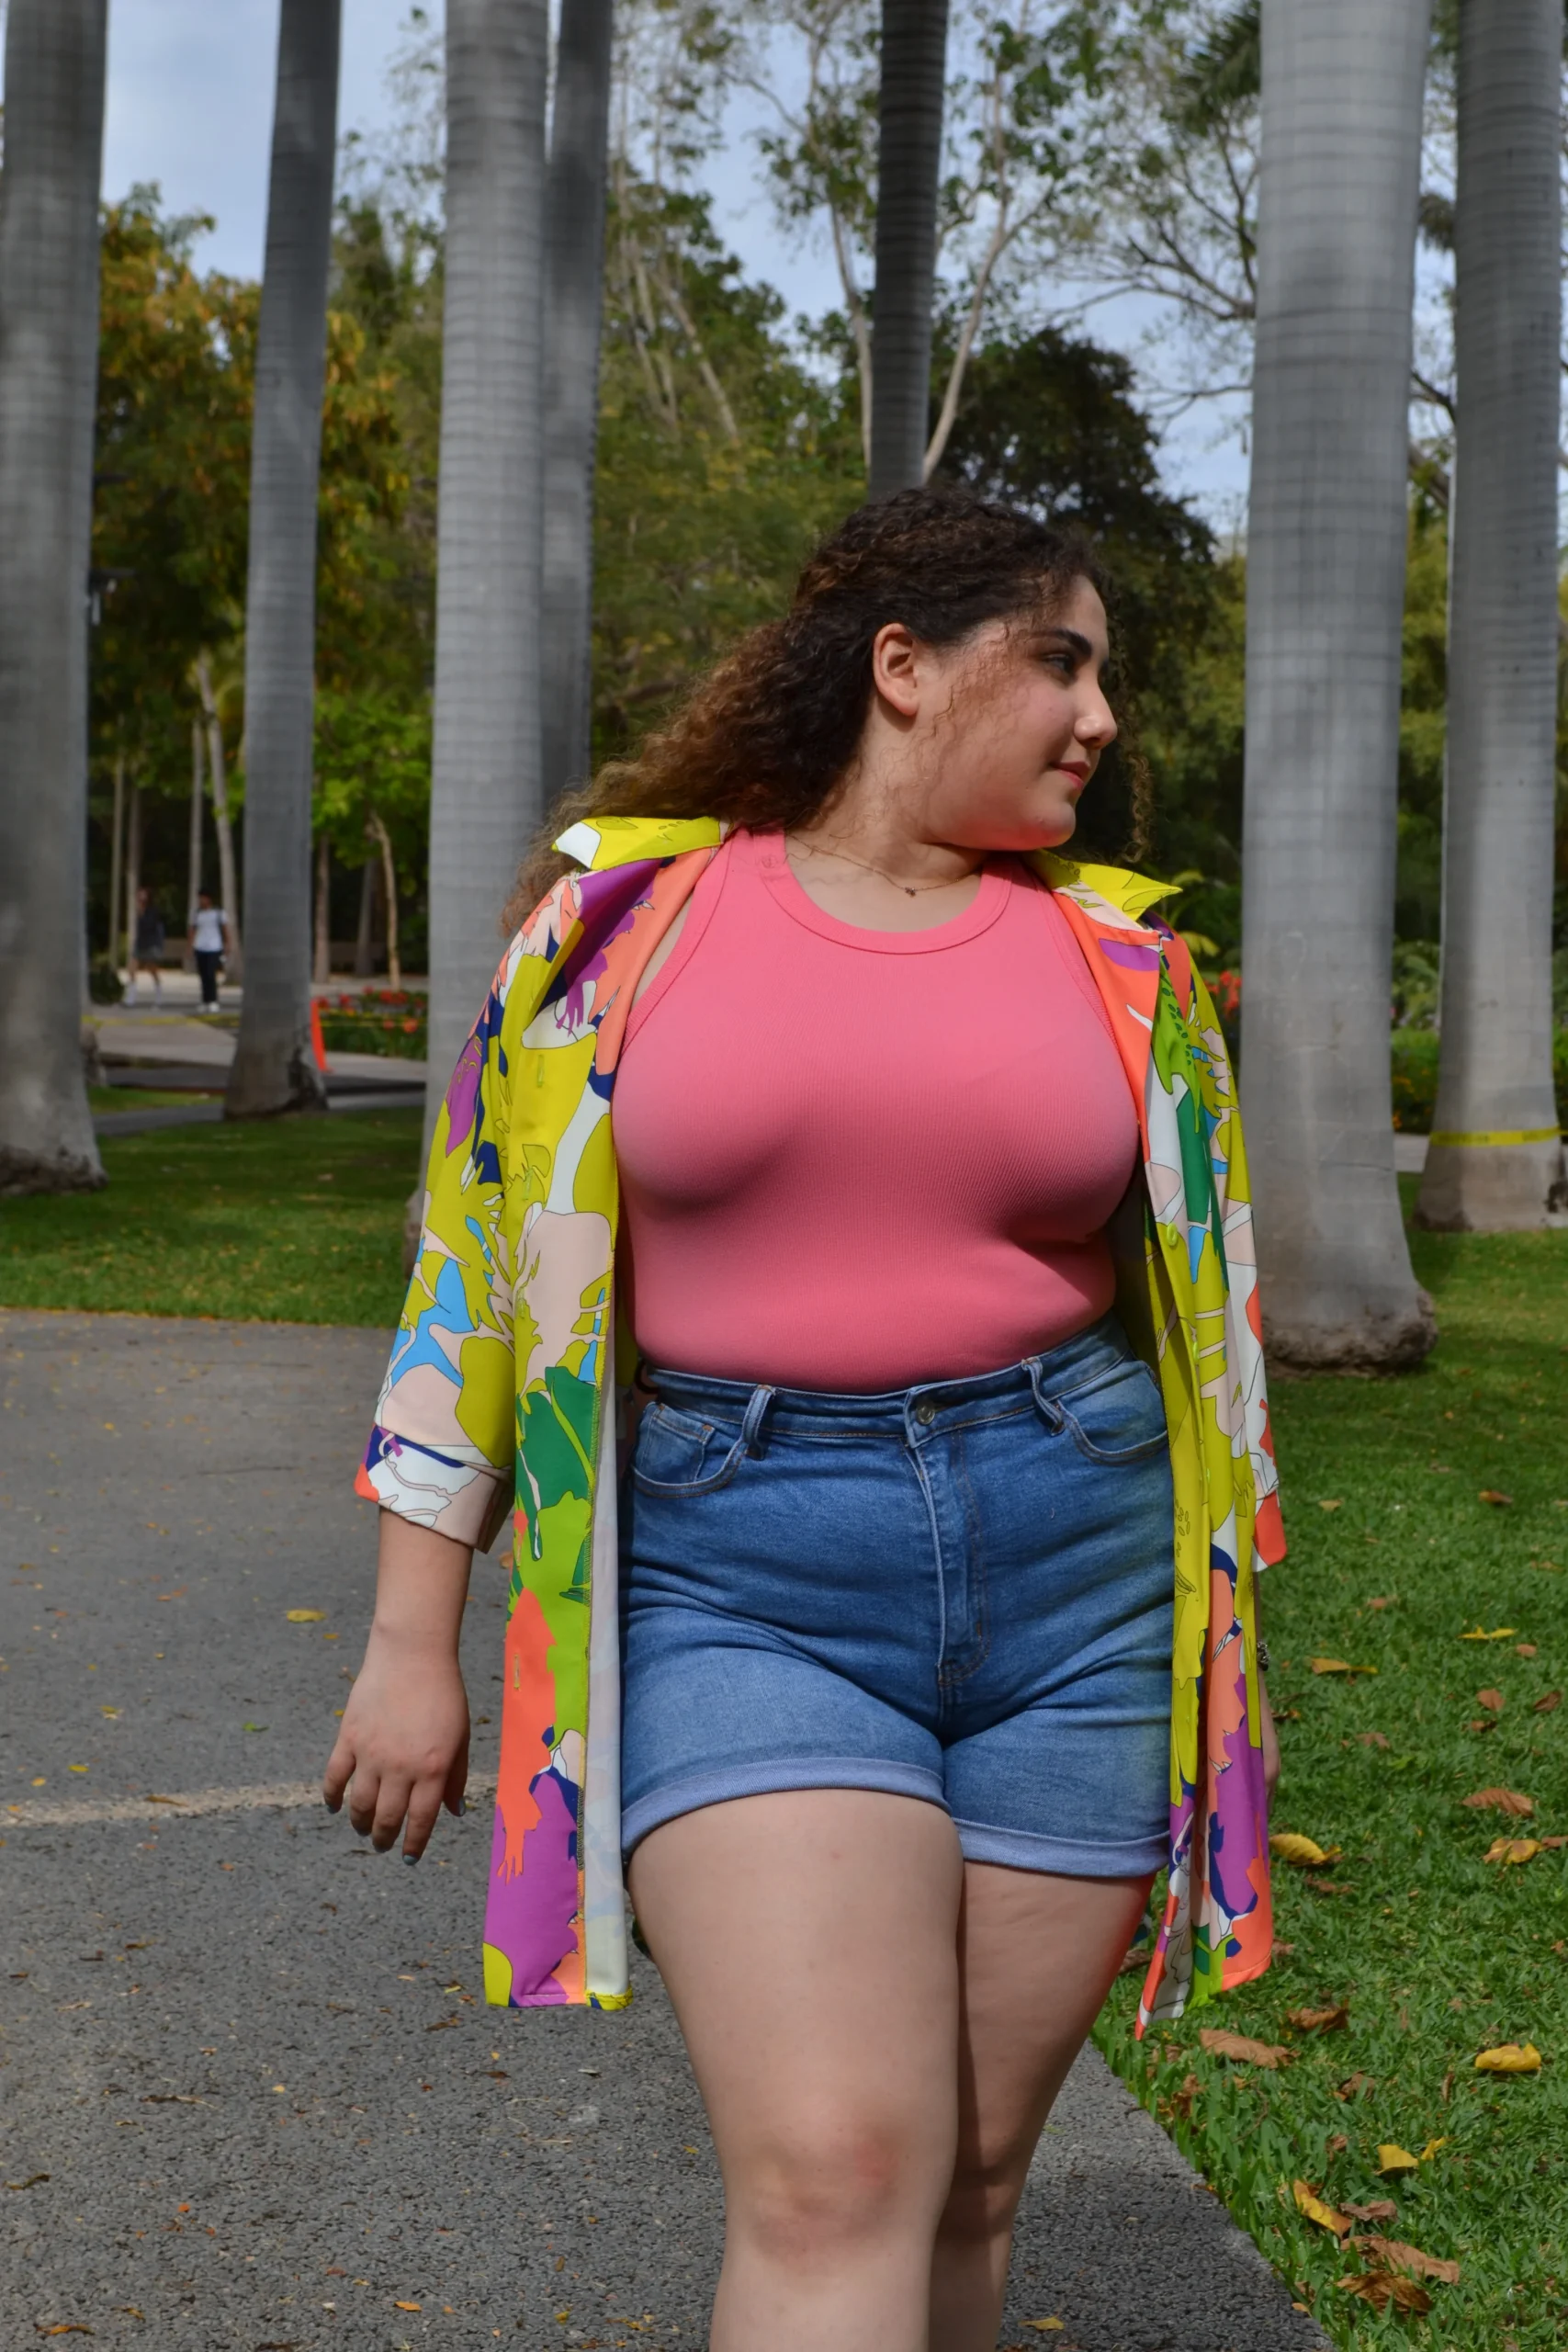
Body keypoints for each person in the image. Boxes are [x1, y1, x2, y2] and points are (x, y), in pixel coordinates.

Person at [326, 487, 1285, 2352]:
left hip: (1081, 1587)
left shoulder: (1134, 971)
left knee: (969, 2183)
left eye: (1104, 677)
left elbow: (1199, 1325)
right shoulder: (617, 931)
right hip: (736, 1579)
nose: (1100, 717)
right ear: (902, 666)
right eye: (1061, 662)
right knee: (837, 2170)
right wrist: (406, 1638)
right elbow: (470, 1283)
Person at [123, 887, 165, 1007]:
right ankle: (131, 996)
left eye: (143, 895)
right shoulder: (139, 910)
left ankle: (158, 994)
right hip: (140, 943)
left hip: (150, 943)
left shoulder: (153, 911)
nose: (140, 898)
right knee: (131, 968)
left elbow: (150, 926)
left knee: (152, 969)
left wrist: (142, 913)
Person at [188, 890, 230, 1012]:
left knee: (211, 974)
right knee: (203, 975)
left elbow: (225, 929)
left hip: (214, 947)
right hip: (200, 947)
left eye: (203, 898)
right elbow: (192, 930)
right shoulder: (197, 914)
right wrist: (190, 947)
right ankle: (205, 1000)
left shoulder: (218, 913)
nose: (201, 901)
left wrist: (228, 944)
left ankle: (213, 1000)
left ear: (209, 899)